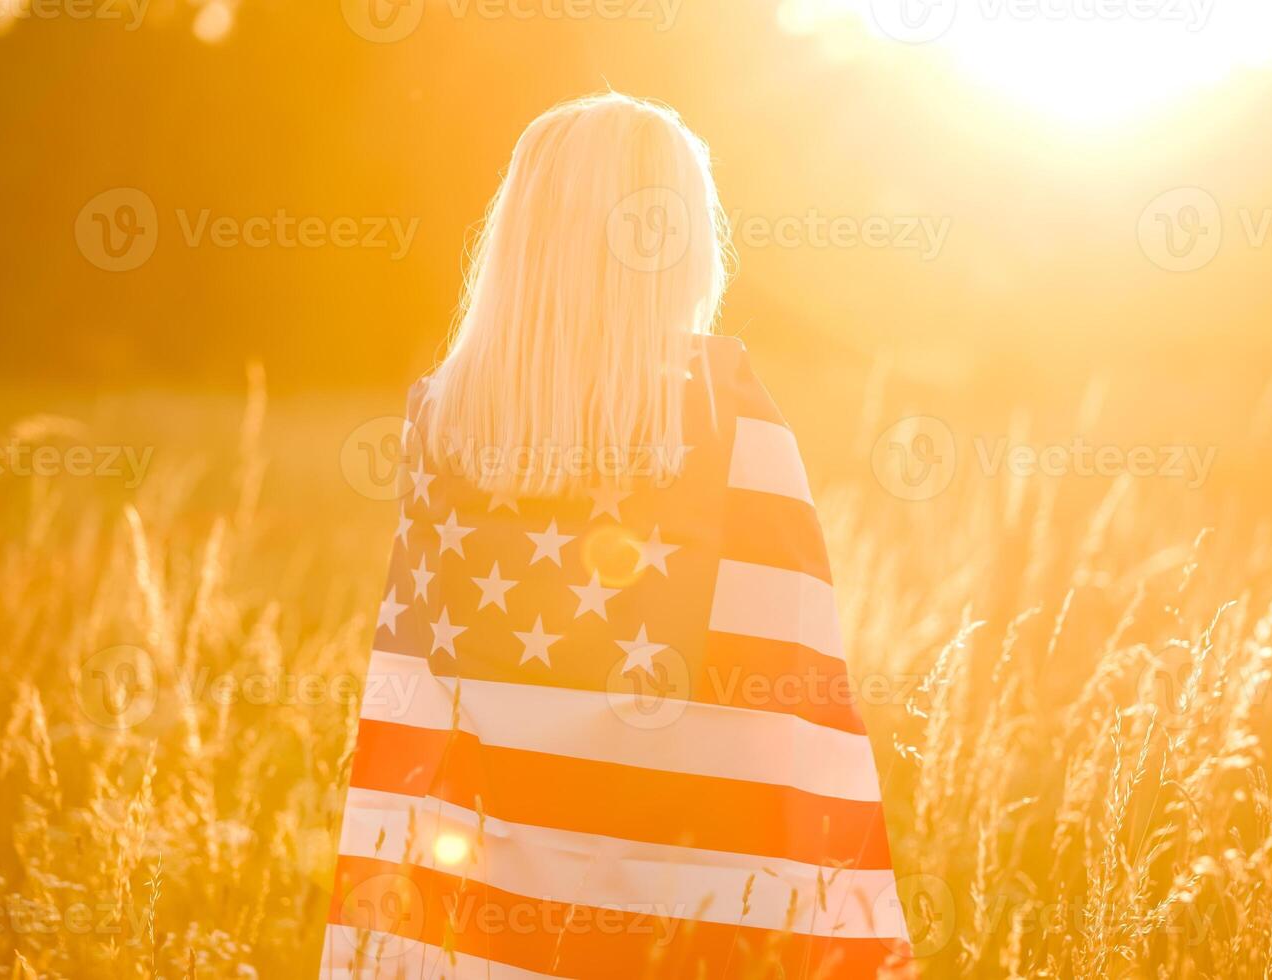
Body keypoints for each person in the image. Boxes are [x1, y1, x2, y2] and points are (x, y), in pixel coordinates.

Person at [321, 91, 914, 979]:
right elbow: (792, 709)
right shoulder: (728, 420)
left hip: (480, 919)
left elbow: (422, 692)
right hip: (675, 917)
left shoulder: (442, 423)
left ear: (524, 238)